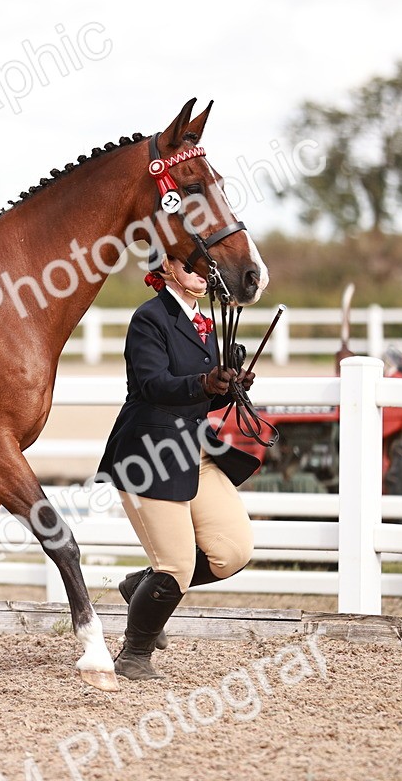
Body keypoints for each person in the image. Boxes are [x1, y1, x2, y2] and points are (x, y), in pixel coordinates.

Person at [96, 253, 260, 681]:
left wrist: (228, 389)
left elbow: (199, 397)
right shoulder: (149, 319)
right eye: (190, 265)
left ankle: (141, 586)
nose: (201, 273)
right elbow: (153, 385)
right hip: (150, 452)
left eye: (204, 267)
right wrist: (204, 383)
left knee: (232, 551)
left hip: (195, 448)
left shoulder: (204, 322)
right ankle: (134, 655)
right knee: (177, 567)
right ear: (166, 267)